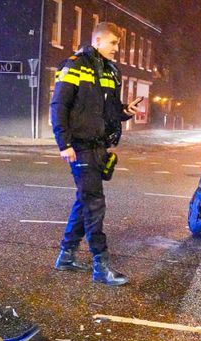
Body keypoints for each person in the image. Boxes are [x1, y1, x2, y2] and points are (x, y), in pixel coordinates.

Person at [50, 21, 142, 286]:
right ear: (98, 41)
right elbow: (59, 105)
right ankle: (101, 265)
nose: (117, 49)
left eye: (118, 44)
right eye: (113, 43)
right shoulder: (74, 65)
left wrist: (126, 111)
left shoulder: (111, 71)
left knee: (85, 199)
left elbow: (110, 110)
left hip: (99, 146)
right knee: (94, 203)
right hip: (79, 146)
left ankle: (66, 256)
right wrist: (63, 143)